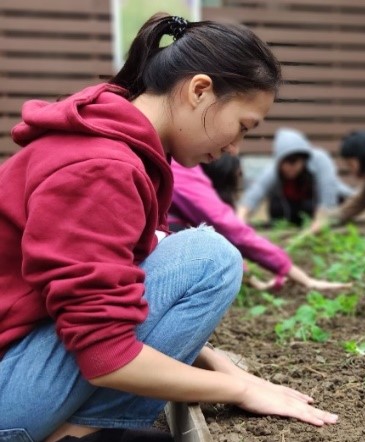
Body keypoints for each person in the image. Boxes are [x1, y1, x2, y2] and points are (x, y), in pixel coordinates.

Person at [0, 14, 337, 442]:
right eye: (243, 127)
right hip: (8, 398)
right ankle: (77, 434)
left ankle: (83, 429)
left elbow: (105, 298)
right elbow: (106, 354)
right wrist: (241, 388)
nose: (235, 147)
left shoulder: (114, 149)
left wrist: (212, 360)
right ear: (199, 90)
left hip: (17, 367)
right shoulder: (99, 168)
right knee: (208, 258)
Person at [169, 156, 350, 291]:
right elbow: (231, 230)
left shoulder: (179, 162)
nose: (233, 148)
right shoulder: (183, 170)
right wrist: (303, 278)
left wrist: (254, 281)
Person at [237, 128, 354, 234]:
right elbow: (256, 192)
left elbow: (328, 196)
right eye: (285, 162)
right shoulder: (274, 170)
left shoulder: (320, 160)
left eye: (294, 161)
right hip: (291, 209)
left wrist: (319, 223)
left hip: (317, 205)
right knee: (276, 206)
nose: (290, 167)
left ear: (303, 159)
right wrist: (240, 219)